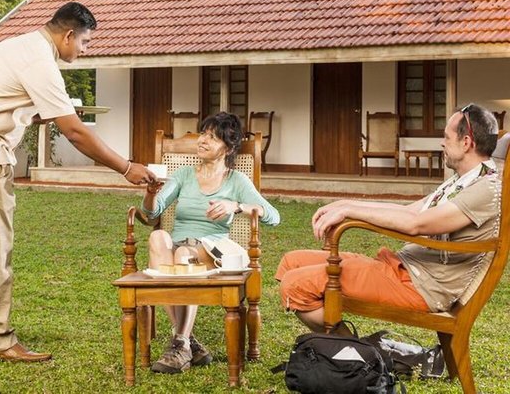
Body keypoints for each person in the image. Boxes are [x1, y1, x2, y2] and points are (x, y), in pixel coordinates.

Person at [0, 2, 155, 361]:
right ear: (68, 35)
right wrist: (126, 167)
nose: (85, 50)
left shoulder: (15, 45)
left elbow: (1, 100)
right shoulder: (40, 62)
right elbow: (75, 133)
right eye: (84, 42)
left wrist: (37, 115)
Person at [276, 103, 501, 333]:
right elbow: (411, 211)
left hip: (420, 285)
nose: (442, 143)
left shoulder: (485, 189)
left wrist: (349, 212)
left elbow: (416, 224)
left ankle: (354, 352)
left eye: (446, 137)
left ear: (466, 143)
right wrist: (346, 204)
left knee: (296, 285)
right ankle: (349, 349)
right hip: (403, 267)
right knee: (291, 262)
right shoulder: (462, 180)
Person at [140, 112, 280, 374]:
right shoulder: (183, 175)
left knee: (183, 254)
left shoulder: (236, 180)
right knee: (158, 237)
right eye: (203, 133)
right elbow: (151, 214)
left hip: (211, 249)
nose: (202, 140)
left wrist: (236, 206)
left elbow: (273, 216)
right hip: (179, 245)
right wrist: (150, 193)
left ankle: (180, 343)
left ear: (228, 148)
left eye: (212, 137)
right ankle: (186, 341)